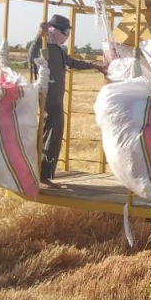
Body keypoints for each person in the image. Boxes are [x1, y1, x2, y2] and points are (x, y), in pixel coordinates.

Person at [28, 15, 107, 187]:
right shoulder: (44, 46)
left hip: (56, 100)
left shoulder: (59, 49)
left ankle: (44, 172)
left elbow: (71, 62)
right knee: (49, 135)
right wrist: (38, 35)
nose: (67, 35)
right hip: (47, 98)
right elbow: (30, 57)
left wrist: (94, 66)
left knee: (53, 135)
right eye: (66, 31)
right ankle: (41, 173)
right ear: (56, 30)